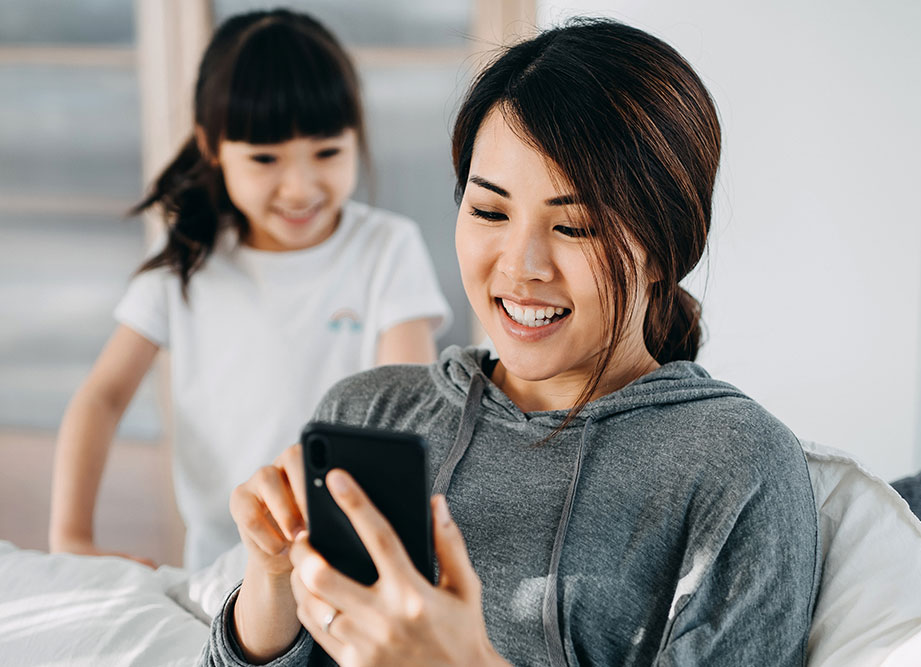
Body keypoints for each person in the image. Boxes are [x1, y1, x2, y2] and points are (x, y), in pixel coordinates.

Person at [202, 18, 819, 666]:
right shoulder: (371, 413)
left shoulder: (737, 465)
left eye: (575, 226)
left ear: (667, 247)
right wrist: (269, 579)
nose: (522, 265)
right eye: (490, 211)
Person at [48, 9, 452, 571]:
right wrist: (71, 537)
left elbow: (409, 408)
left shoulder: (387, 248)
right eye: (265, 159)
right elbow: (101, 397)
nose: (301, 186)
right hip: (222, 564)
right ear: (212, 147)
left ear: (355, 137)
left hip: (354, 555)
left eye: (328, 152)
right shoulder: (185, 265)